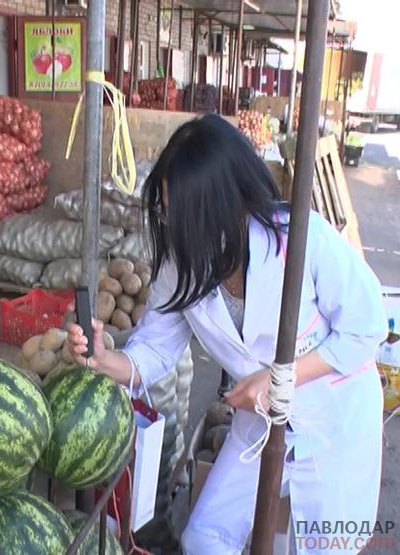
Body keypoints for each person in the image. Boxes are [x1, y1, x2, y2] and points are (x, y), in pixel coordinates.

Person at [66, 114, 388, 554]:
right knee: (204, 537)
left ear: (226, 205)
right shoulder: (181, 266)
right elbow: (154, 350)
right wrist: (107, 360)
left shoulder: (301, 239)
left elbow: (366, 328)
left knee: (325, 547)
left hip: (334, 418)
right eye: (165, 209)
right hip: (259, 426)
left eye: (182, 211)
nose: (172, 224)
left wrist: (281, 380)